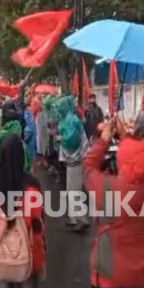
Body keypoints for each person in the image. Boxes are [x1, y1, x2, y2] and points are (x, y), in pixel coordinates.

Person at [84, 113, 144, 288]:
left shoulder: (109, 188)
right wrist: (125, 136)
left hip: (111, 275)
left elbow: (88, 167)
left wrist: (104, 140)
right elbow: (139, 157)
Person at [0, 134, 46, 288]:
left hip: (0, 250)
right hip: (28, 254)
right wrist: (41, 259)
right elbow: (38, 226)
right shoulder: (32, 187)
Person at [55, 96, 90, 231]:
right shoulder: (68, 118)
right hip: (72, 161)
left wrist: (60, 138)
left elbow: (73, 141)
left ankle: (82, 219)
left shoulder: (72, 120)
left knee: (74, 190)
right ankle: (73, 218)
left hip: (76, 160)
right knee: (71, 189)